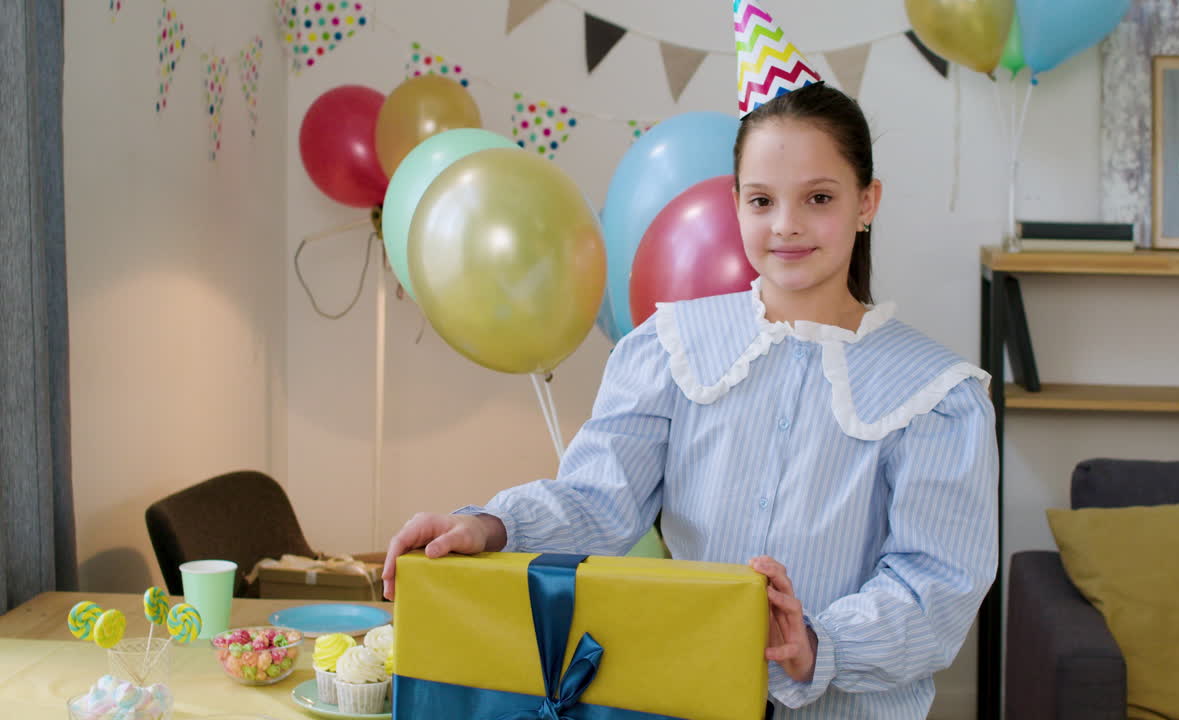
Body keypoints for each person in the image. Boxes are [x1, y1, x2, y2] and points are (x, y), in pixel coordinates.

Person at [383, 4, 997, 718]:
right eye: (762, 200)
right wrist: (490, 526)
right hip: (683, 699)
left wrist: (818, 644)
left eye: (819, 198)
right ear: (734, 202)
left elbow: (934, 588)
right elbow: (600, 496)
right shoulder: (672, 347)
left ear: (867, 203)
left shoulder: (935, 396)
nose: (787, 225)